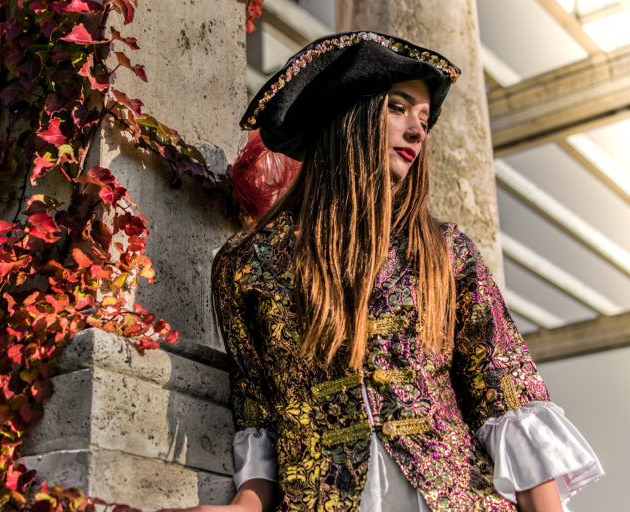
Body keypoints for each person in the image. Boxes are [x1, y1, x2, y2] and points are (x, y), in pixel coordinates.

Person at [173, 31, 603, 512]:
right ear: (346, 116)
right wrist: (245, 508)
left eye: (424, 118)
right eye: (397, 107)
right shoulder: (246, 264)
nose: (418, 130)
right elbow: (258, 406)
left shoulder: (446, 252)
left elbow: (505, 389)